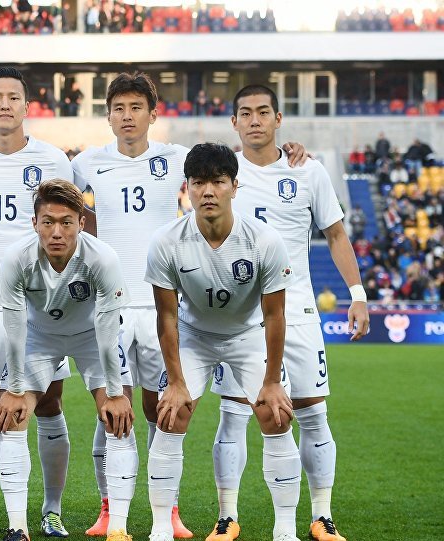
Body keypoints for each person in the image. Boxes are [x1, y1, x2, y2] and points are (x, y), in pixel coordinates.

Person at [70, 72, 308, 538]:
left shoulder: (178, 157)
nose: (128, 116)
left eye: (136, 107)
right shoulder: (86, 162)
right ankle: (111, 509)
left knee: (162, 408)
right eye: (119, 108)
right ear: (108, 116)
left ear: (153, 114)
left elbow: (232, 163)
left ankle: (178, 514)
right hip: (115, 304)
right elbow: (55, 199)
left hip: (171, 308)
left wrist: (286, 152)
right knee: (113, 410)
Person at [208, 84, 369, 541]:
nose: (254, 120)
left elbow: (336, 235)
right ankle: (227, 516)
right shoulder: (221, 174)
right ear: (234, 123)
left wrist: (357, 294)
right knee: (234, 414)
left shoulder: (308, 170)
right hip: (239, 317)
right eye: (245, 113)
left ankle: (322, 516)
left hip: (297, 310)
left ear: (278, 119)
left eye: (263, 112)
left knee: (313, 413)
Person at [144, 142, 299, 541]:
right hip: (194, 336)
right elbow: (167, 317)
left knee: (275, 414)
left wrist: (272, 381)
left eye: (218, 182)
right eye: (199, 182)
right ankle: (160, 528)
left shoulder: (264, 240)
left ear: (234, 186)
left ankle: (285, 529)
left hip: (247, 334)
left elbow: (275, 315)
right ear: (187, 188)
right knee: (171, 414)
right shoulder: (166, 241)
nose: (208, 191)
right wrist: (176, 382)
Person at [0, 67, 77, 539]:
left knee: (48, 402)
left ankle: (51, 508)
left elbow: (68, 222)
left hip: (41, 304)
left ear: (27, 106)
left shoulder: (53, 159)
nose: (5, 104)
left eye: (13, 97)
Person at [0, 180, 132, 541]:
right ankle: (18, 528)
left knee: (118, 418)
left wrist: (115, 392)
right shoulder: (17, 258)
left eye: (67, 222)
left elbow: (107, 330)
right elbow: (14, 327)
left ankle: (118, 528)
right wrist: (14, 388)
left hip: (92, 336)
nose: (57, 232)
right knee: (13, 416)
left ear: (81, 223)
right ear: (34, 223)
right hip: (38, 336)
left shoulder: (103, 258)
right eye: (48, 222)